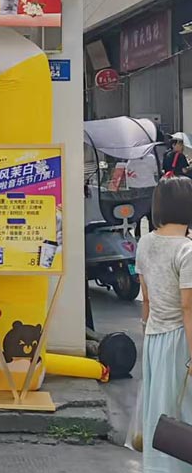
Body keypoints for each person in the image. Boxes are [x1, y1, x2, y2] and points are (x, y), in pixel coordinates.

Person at [136, 176, 192, 473]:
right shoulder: (186, 250)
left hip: (154, 338)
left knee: (159, 411)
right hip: (181, 339)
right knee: (183, 411)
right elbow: (188, 307)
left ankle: (156, 467)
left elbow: (145, 297)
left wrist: (146, 330)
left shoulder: (145, 242)